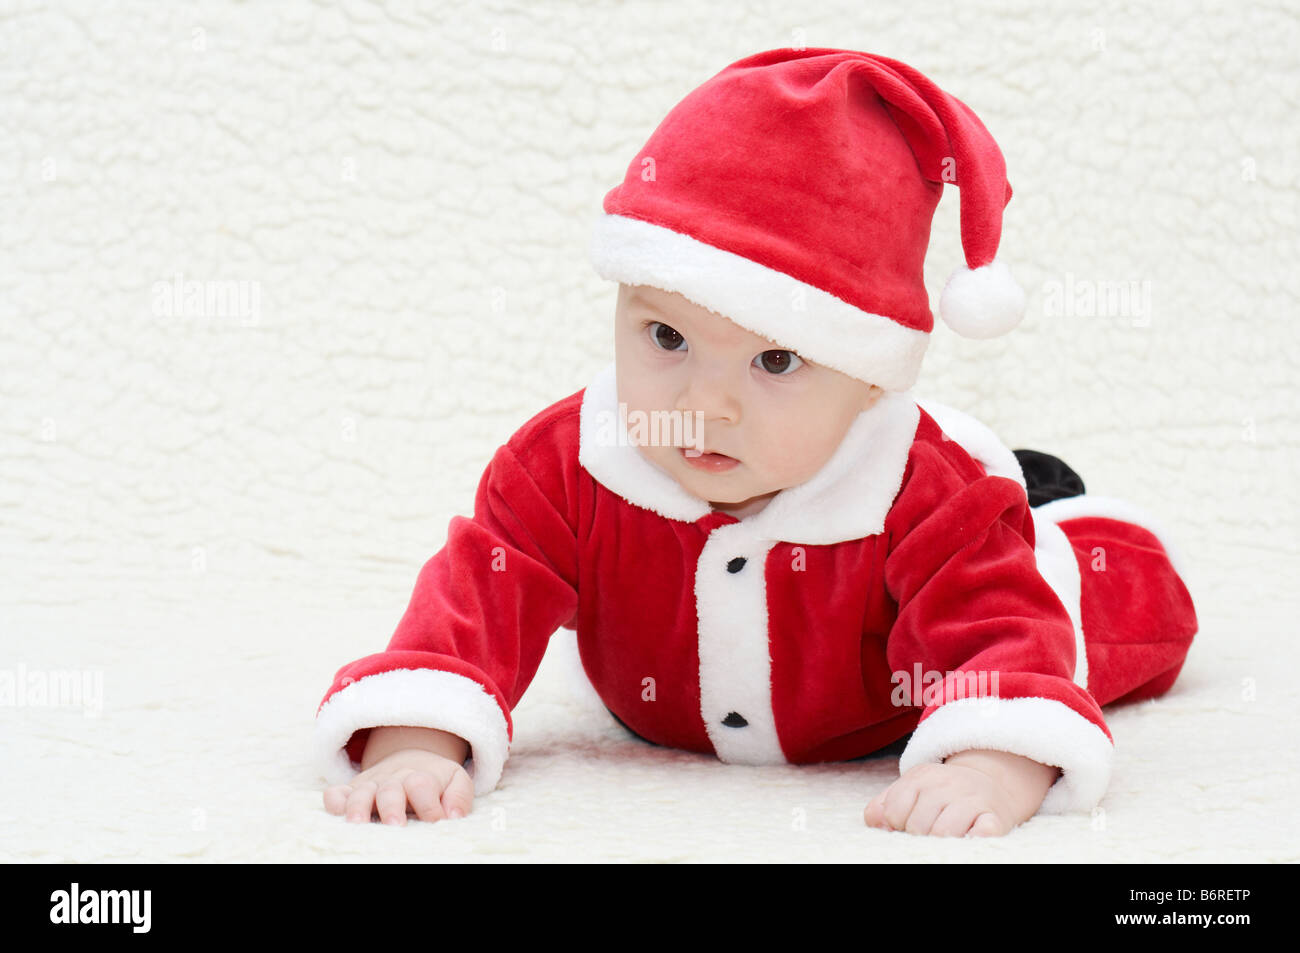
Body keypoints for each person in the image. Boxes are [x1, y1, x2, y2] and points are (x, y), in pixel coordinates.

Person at [313, 48, 1198, 837]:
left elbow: (1003, 638)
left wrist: (994, 760)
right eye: (666, 339)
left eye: (775, 360)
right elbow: (469, 609)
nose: (706, 405)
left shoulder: (925, 492)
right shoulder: (568, 462)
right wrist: (415, 736)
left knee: (1111, 607)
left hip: (899, 694)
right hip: (672, 708)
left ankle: (1064, 514)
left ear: (871, 378)